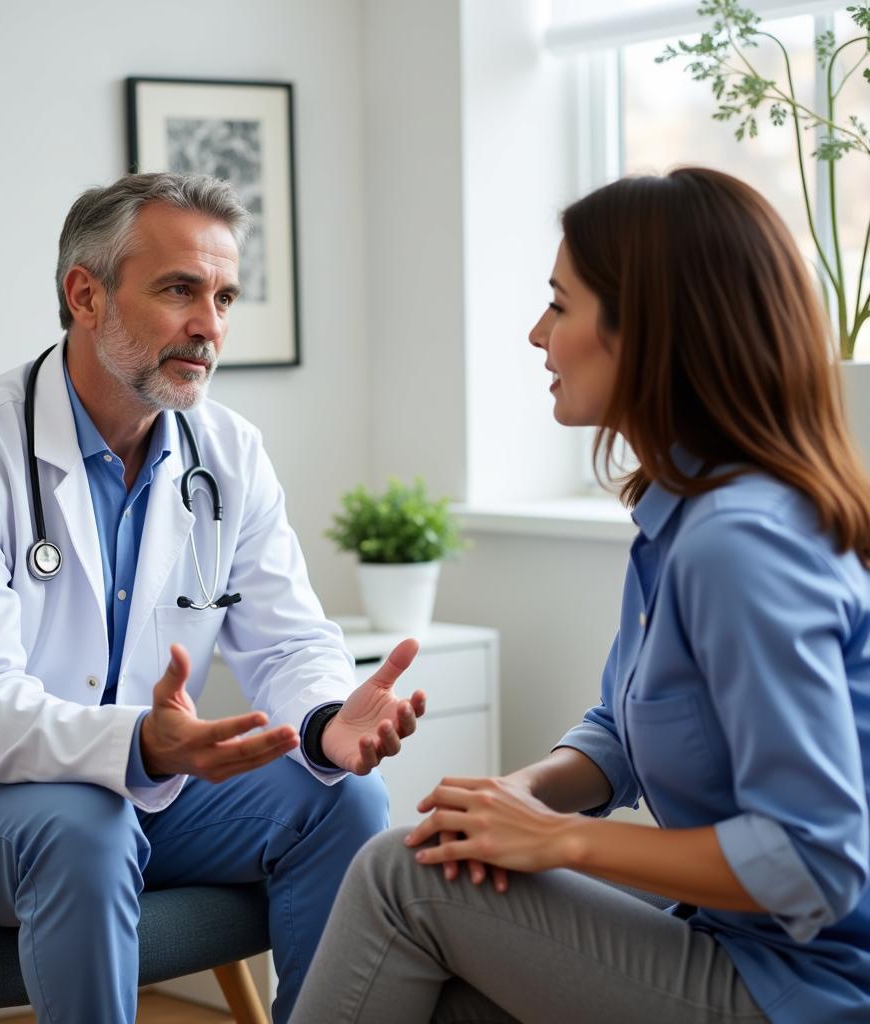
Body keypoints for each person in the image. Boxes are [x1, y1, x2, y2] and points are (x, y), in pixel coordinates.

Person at [290, 167, 870, 1024]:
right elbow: (627, 734)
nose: (537, 334)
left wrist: (561, 841)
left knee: (400, 877)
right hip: (731, 941)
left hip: (807, 988)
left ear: (650, 329)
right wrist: (517, 801)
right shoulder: (684, 521)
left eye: (560, 305)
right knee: (446, 973)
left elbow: (816, 861)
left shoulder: (739, 544)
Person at [0, 171, 427, 1024]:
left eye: (225, 297)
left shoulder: (229, 452)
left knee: (343, 798)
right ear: (86, 294)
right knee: (86, 827)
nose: (211, 326)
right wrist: (146, 747)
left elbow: (291, 642)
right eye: (180, 290)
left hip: (141, 787)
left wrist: (324, 722)